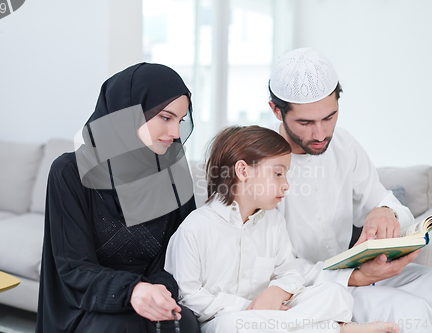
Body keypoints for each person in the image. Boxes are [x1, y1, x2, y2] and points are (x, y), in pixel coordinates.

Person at [268, 47, 432, 332]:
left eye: (329, 117)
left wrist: (385, 212)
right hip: (307, 288)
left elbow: (386, 201)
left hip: (353, 272)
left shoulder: (343, 144)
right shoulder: (261, 162)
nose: (320, 134)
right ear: (276, 110)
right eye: (305, 122)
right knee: (411, 311)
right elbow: (269, 265)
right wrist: (355, 278)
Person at [165, 125, 398, 333]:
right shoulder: (196, 227)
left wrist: (276, 291)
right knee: (232, 326)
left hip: (275, 312)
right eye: (278, 174)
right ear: (243, 171)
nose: (286, 185)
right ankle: (337, 330)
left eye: (286, 174)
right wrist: (250, 308)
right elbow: (187, 296)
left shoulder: (273, 222)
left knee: (335, 294)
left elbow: (289, 272)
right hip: (228, 319)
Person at [36, 63, 200, 332]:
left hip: (153, 299)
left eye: (181, 121)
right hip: (86, 304)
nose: (175, 134)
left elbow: (179, 255)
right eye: (165, 118)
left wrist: (158, 289)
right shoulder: (70, 171)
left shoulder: (172, 174)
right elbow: (73, 267)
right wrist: (133, 291)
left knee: (185, 323)